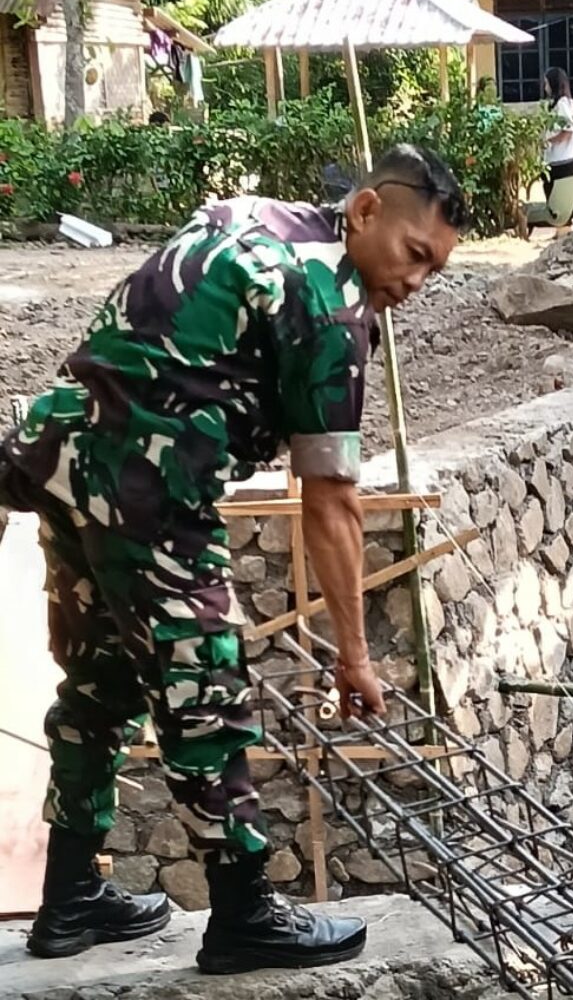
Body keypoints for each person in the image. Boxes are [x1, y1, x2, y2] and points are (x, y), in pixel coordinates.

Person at [0, 144, 466, 975]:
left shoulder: (253, 219)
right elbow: (330, 499)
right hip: (150, 483)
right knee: (205, 689)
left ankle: (69, 896)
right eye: (414, 253)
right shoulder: (330, 308)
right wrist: (354, 658)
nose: (416, 280)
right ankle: (245, 910)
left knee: (102, 683)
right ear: (365, 212)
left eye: (434, 268)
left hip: (65, 457)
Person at [543, 66, 573, 165]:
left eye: (547, 83)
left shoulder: (562, 103)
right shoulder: (566, 102)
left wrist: (548, 142)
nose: (545, 87)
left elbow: (568, 131)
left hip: (562, 158)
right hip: (562, 157)